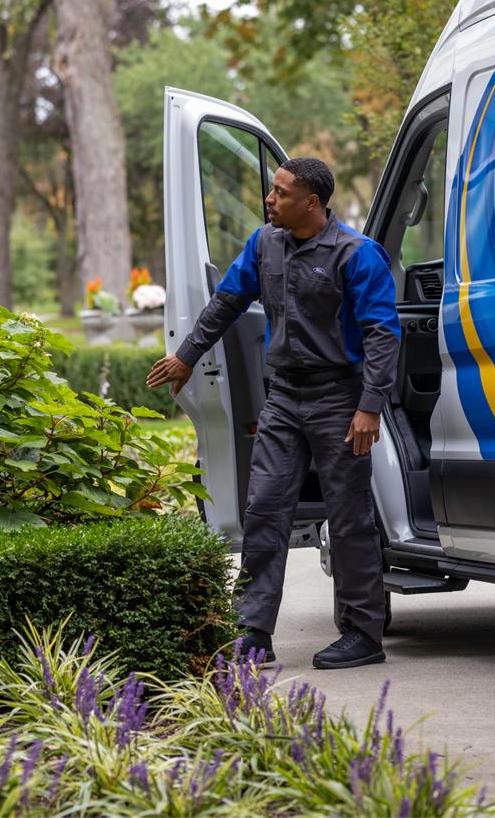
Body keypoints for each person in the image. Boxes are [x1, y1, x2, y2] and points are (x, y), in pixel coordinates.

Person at [145, 157, 399, 670]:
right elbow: (227, 301)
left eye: (281, 193)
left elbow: (382, 334)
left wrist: (370, 408)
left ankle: (362, 634)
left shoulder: (357, 255)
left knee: (349, 518)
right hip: (283, 397)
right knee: (263, 511)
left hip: (339, 398)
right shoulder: (265, 244)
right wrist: (186, 357)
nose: (269, 199)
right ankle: (252, 632)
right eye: (272, 191)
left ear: (311, 202)